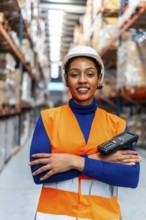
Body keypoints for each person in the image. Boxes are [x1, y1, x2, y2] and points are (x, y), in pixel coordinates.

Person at [29, 45, 141, 220]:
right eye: (74, 74)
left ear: (99, 79)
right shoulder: (48, 119)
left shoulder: (117, 125)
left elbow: (130, 176)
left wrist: (73, 161)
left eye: (90, 74)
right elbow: (39, 173)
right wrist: (99, 158)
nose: (82, 80)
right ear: (66, 80)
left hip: (103, 216)